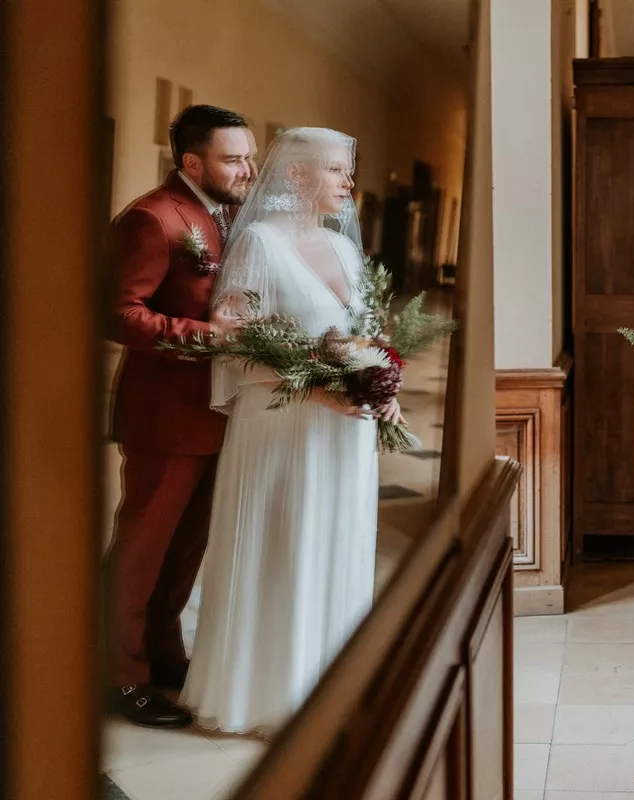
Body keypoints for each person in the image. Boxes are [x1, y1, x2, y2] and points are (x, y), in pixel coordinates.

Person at [179, 128, 402, 736]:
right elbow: (235, 353)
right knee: (284, 548)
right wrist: (320, 390)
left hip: (344, 437)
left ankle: (330, 685)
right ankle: (269, 694)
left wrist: (384, 388)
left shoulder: (347, 251)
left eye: (347, 170)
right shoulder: (259, 244)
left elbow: (366, 339)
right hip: (282, 431)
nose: (348, 182)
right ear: (298, 176)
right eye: (335, 170)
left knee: (338, 543)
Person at [106, 104, 256, 728]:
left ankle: (163, 657)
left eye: (250, 156)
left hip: (218, 415)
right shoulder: (151, 217)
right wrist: (209, 336)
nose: (247, 168)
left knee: (183, 552)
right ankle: (117, 678)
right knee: (140, 554)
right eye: (233, 158)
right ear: (192, 162)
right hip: (165, 417)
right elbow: (116, 313)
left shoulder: (229, 213)